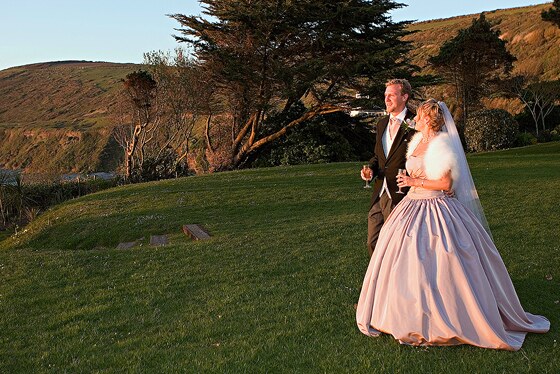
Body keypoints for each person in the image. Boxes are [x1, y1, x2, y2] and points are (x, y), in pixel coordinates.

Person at [355, 99, 549, 350]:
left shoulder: (440, 145)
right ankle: (402, 310)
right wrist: (409, 181)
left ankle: (446, 313)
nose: (415, 119)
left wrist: (415, 182)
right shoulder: (417, 141)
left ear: (429, 119)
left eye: (420, 115)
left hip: (434, 207)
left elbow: (446, 184)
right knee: (402, 258)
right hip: (411, 207)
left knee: (442, 259)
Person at [362, 79, 416, 257]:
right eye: (385, 95)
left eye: (391, 95)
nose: (386, 99)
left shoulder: (416, 123)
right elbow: (378, 157)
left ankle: (397, 281)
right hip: (379, 191)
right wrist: (370, 169)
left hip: (402, 192)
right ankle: (379, 281)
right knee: (373, 241)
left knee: (397, 245)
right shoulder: (381, 124)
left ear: (404, 97)